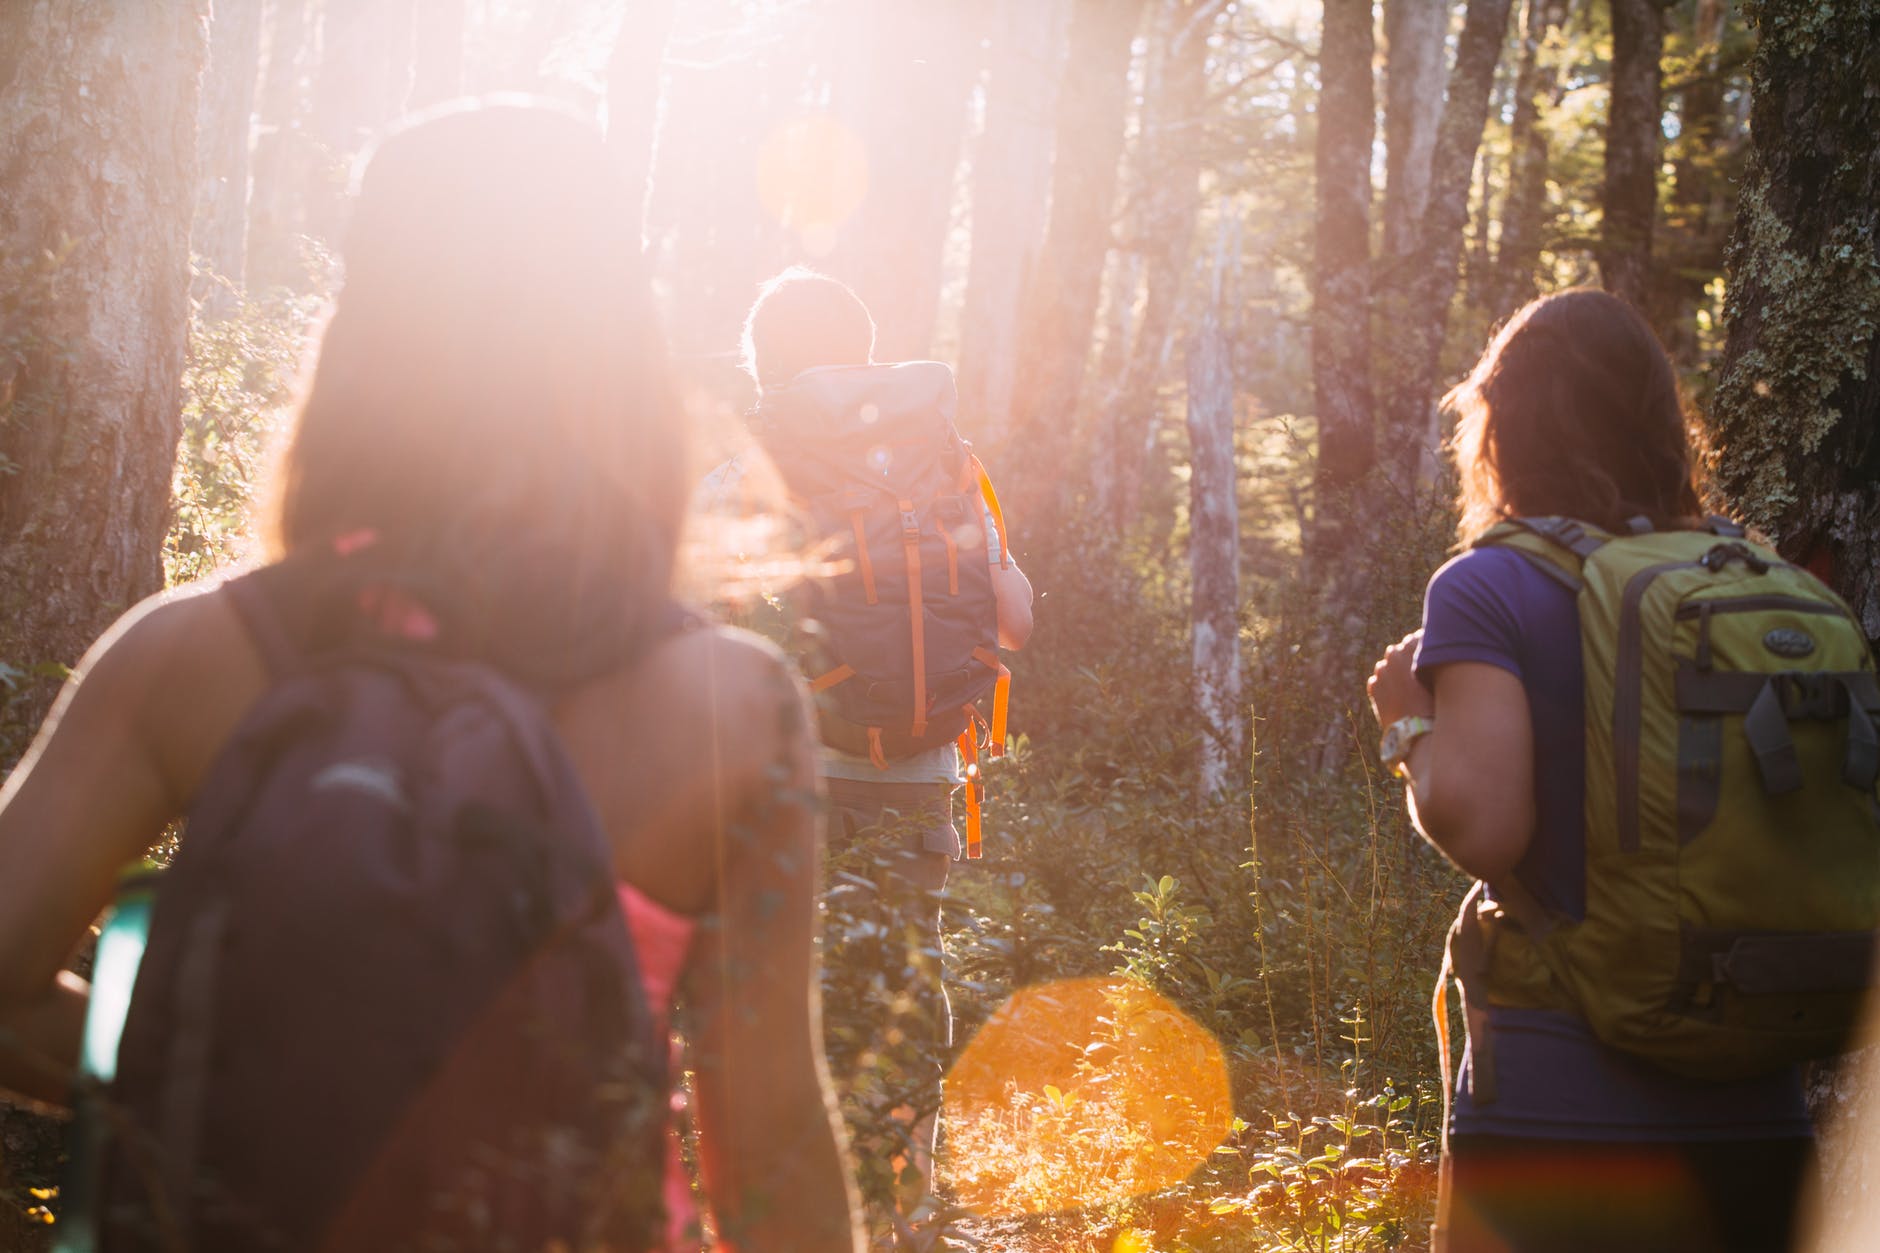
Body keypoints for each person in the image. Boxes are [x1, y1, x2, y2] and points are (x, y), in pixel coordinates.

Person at [0, 104, 862, 1252]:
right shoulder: (729, 709)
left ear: (361, 335)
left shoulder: (192, 656)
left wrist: (195, 1063)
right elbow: (770, 1151)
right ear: (616, 345)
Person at [1368, 288, 1818, 1253]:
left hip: (1559, 1114)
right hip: (1760, 1108)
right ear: (1661, 421)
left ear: (1503, 424)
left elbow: (1487, 826)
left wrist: (1407, 722)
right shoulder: (1746, 573)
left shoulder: (1491, 584)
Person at [725, 268, 1034, 1233]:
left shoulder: (756, 456)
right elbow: (1016, 618)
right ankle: (908, 1203)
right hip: (922, 771)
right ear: (865, 353)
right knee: (908, 974)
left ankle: (784, 1209)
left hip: (792, 775)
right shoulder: (942, 456)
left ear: (763, 361)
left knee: (776, 985)